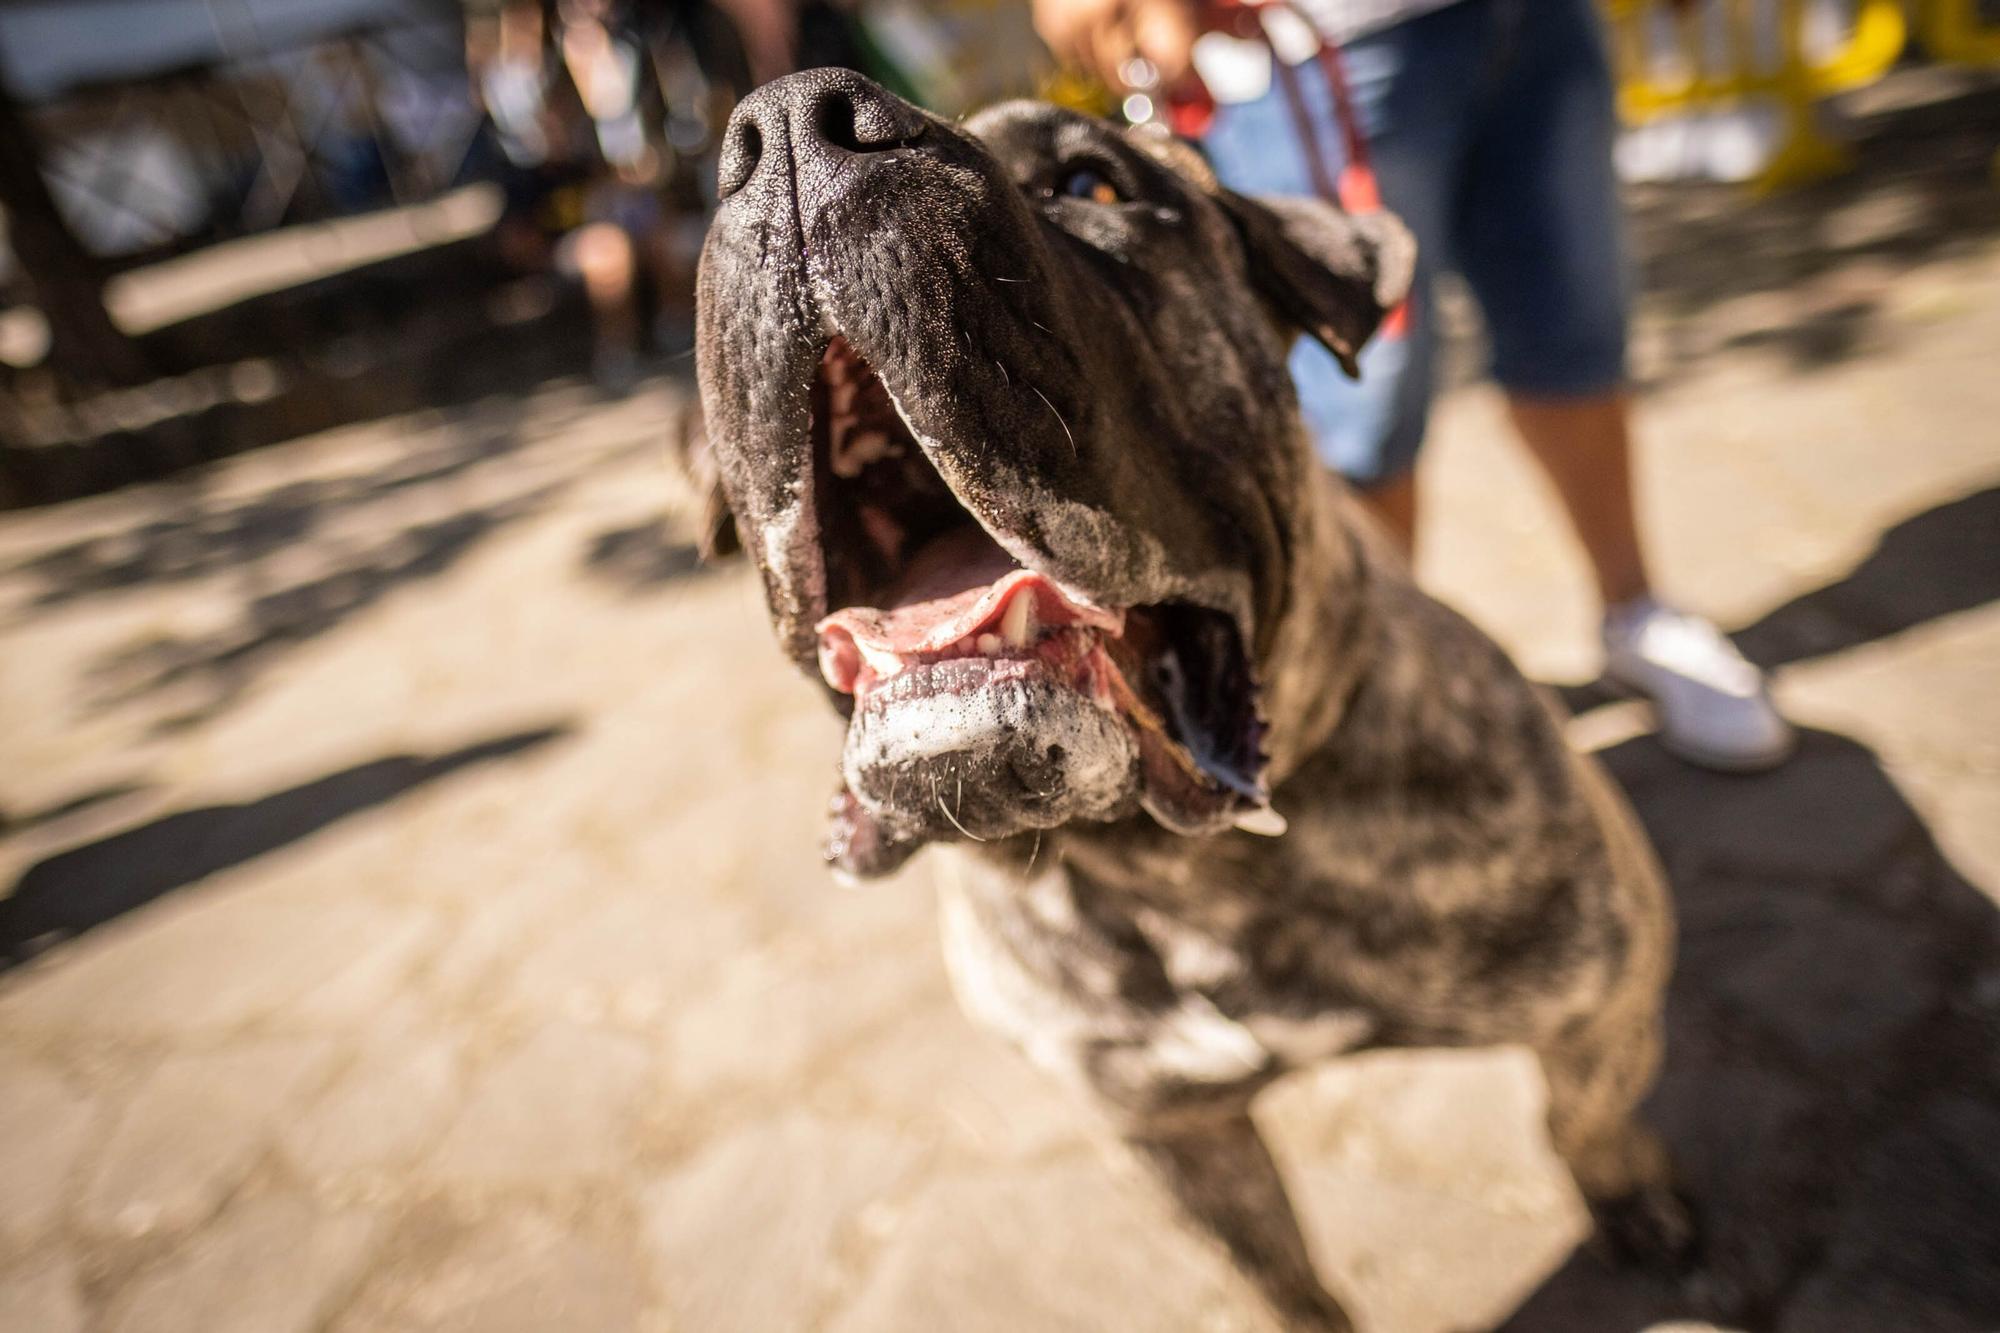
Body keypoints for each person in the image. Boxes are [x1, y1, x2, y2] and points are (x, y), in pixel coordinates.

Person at [1031, 0, 1794, 772]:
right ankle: (1376, 696)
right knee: (1365, 405)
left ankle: (1636, 616)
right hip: (1321, 42)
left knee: (1573, 327)